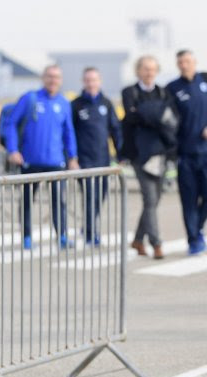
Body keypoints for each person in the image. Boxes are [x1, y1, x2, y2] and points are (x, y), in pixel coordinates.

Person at [5, 64, 79, 249]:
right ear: (43, 78)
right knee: (28, 201)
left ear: (60, 80)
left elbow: (69, 132)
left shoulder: (63, 103)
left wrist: (73, 156)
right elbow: (11, 124)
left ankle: (62, 236)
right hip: (30, 161)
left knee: (58, 201)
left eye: (56, 77)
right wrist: (13, 150)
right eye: (49, 76)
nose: (53, 80)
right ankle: (27, 237)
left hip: (55, 162)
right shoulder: (30, 99)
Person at [167, 50, 207, 255]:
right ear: (178, 65)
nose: (184, 65)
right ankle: (194, 239)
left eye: (188, 61)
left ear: (194, 62)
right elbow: (167, 121)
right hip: (185, 154)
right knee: (189, 199)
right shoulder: (172, 89)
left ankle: (198, 226)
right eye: (181, 62)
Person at [121, 55, 178, 259]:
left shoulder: (163, 92)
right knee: (150, 198)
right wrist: (156, 115)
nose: (149, 73)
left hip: (160, 154)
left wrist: (145, 113)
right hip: (139, 154)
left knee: (154, 201)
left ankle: (137, 239)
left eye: (152, 69)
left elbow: (171, 119)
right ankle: (156, 243)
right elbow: (131, 116)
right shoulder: (130, 92)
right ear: (138, 71)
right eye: (145, 69)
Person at [71, 67, 122, 245]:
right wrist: (72, 158)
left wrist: (120, 153)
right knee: (90, 196)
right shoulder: (76, 105)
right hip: (84, 160)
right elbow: (69, 133)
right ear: (83, 82)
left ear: (99, 81)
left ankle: (87, 226)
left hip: (103, 159)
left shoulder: (106, 103)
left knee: (101, 196)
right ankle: (91, 234)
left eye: (94, 80)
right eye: (88, 80)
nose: (91, 83)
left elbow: (115, 129)